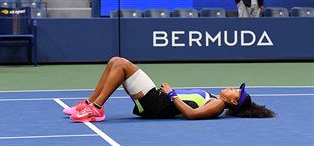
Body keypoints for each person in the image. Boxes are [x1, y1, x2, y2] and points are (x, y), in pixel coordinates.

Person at [64, 57, 275, 122]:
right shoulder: (214, 98)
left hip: (157, 104)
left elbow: (191, 114)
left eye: (235, 91)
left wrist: (171, 94)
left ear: (233, 102)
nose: (231, 88)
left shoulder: (218, 105)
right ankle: (89, 104)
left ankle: (97, 108)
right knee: (114, 62)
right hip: (156, 101)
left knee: (121, 65)